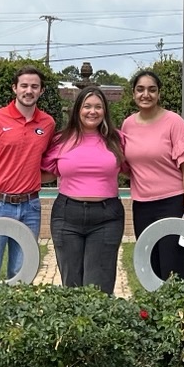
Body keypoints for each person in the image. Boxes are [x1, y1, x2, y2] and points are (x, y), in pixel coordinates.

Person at [0, 64, 56, 280]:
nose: (29, 91)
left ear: (41, 91)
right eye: (24, 85)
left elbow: (49, 166)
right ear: (14, 89)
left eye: (34, 86)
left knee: (22, 273)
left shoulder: (48, 124)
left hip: (31, 208)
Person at [117, 67, 184, 283]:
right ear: (133, 93)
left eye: (152, 90)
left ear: (159, 94)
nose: (146, 95)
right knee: (150, 270)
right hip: (142, 207)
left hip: (172, 204)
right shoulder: (127, 124)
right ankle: (152, 316)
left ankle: (179, 316)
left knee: (173, 271)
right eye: (140, 90)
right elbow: (128, 166)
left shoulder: (173, 122)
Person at [42, 84, 127, 292]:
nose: (92, 111)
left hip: (107, 217)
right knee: (71, 285)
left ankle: (99, 324)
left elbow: (135, 168)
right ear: (78, 109)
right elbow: (45, 173)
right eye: (87, 106)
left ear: (105, 111)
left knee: (99, 286)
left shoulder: (117, 139)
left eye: (98, 107)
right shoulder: (61, 140)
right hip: (67, 215)